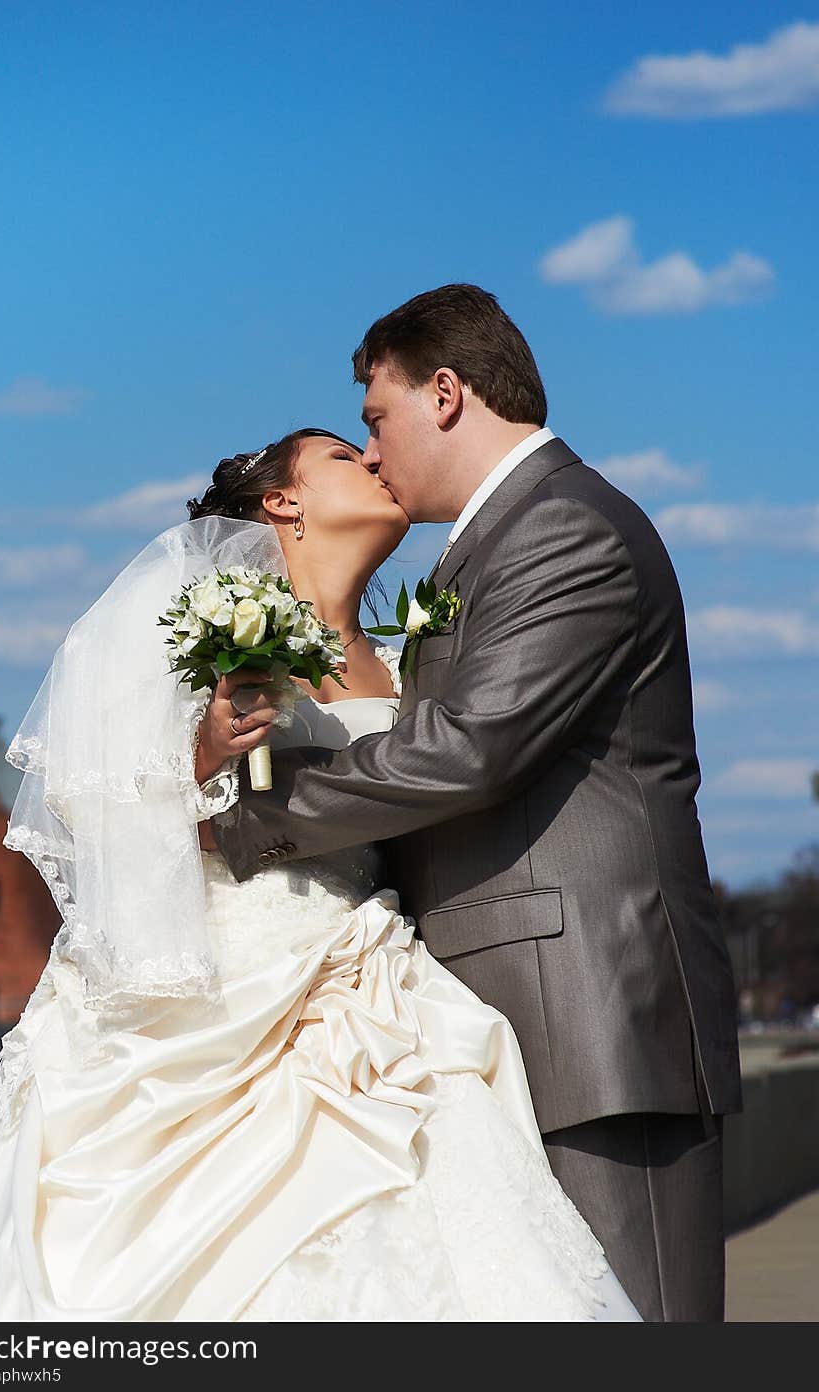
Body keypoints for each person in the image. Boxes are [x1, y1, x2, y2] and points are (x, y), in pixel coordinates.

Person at [0, 426, 639, 1321]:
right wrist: (203, 751)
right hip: (213, 988)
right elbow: (91, 800)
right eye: (348, 455)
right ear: (284, 501)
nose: (378, 461)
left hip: (362, 984)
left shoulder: (410, 657)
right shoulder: (204, 616)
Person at [202, 286, 743, 1323]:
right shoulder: (491, 547)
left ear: (444, 393)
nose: (373, 450)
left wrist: (245, 827)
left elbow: (467, 752)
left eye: (374, 416)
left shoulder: (562, 529)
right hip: (497, 1027)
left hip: (593, 1029)